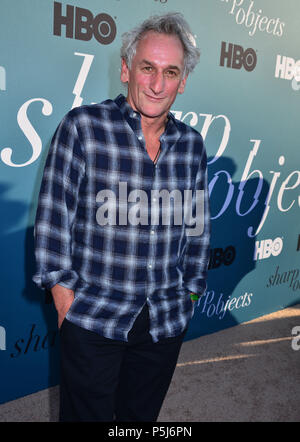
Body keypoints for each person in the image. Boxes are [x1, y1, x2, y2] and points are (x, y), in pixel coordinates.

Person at [33, 12, 210, 422]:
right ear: (127, 69)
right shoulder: (83, 127)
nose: (157, 83)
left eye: (170, 72)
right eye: (147, 68)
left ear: (182, 82)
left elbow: (198, 226)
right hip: (93, 314)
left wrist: (193, 291)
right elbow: (52, 217)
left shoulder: (191, 144)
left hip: (165, 317)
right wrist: (63, 295)